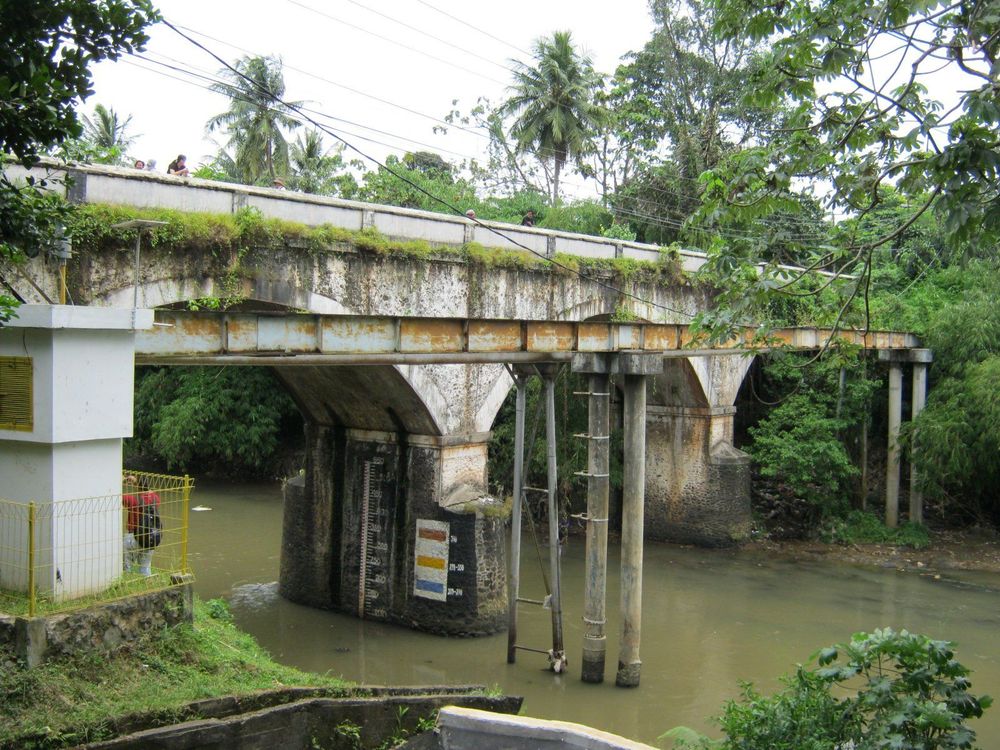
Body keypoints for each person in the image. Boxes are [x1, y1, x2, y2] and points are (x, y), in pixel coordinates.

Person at [122, 475, 160, 576]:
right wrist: (137, 483)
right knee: (145, 567)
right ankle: (146, 582)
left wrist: (121, 481)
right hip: (149, 537)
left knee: (126, 564)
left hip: (133, 537)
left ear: (138, 486)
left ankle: (127, 579)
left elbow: (116, 495)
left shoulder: (132, 500)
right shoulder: (155, 499)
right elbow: (148, 492)